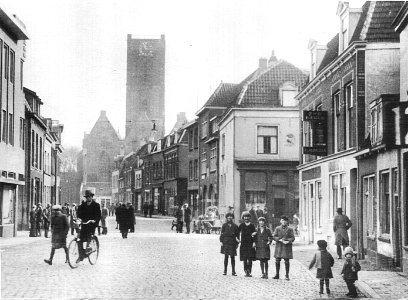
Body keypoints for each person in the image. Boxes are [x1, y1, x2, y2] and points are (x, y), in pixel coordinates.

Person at [76, 190, 101, 263]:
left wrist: (95, 221)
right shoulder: (82, 205)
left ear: (92, 197)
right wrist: (78, 218)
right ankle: (81, 256)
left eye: (89, 197)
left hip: (91, 225)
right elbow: (79, 213)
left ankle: (88, 249)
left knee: (89, 237)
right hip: (84, 224)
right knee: (79, 240)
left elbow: (98, 215)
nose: (88, 198)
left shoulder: (96, 205)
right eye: (86, 197)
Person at [272, 215, 295, 280]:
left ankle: (287, 275)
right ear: (280, 221)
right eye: (282, 220)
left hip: (286, 246)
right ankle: (277, 274)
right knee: (277, 261)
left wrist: (288, 241)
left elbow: (293, 238)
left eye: (285, 220)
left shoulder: (290, 229)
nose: (284, 222)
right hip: (279, 246)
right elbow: (274, 236)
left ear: (287, 221)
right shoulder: (277, 228)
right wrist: (280, 240)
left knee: (287, 261)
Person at [238, 212, 256, 277]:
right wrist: (237, 239)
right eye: (245, 217)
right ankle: (245, 271)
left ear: (249, 218)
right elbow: (237, 232)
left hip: (250, 244)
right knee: (245, 258)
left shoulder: (252, 225)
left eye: (247, 217)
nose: (246, 218)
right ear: (243, 218)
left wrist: (254, 242)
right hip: (243, 244)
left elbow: (254, 234)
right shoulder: (241, 225)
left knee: (250, 258)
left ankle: (249, 271)